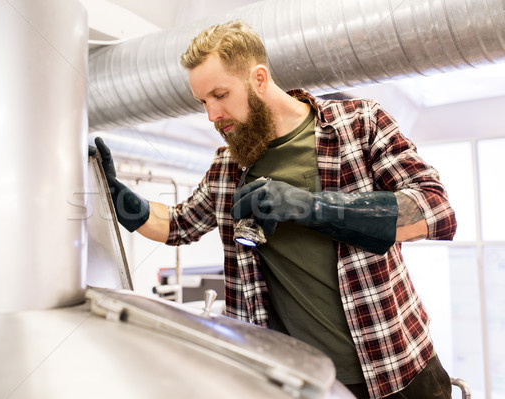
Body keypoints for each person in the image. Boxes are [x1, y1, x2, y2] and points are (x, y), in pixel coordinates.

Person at [93, 20, 457, 399]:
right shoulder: (227, 168)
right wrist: (115, 194)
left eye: (220, 94)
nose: (212, 115)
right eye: (204, 102)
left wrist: (311, 207)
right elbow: (177, 225)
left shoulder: (359, 125)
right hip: (304, 382)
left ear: (260, 78)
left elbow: (434, 208)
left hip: (399, 367)